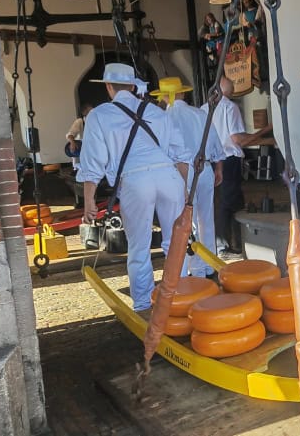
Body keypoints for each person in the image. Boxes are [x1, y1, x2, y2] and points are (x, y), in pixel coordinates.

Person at [77, 63, 191, 314]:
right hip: (169, 176)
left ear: (108, 87)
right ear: (132, 86)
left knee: (139, 246)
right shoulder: (157, 112)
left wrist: (89, 201)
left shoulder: (99, 115)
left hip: (135, 180)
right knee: (176, 242)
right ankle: (180, 294)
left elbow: (92, 162)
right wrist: (183, 188)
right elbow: (181, 155)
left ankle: (142, 304)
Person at [151, 77, 226, 277]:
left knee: (185, 220)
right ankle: (208, 265)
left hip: (179, 171)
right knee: (206, 218)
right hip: (205, 167)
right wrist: (218, 168)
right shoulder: (200, 114)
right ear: (182, 93)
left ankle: (193, 269)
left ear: (164, 97)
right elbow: (215, 142)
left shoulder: (163, 119)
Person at [204, 76, 252, 256]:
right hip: (228, 159)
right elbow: (236, 138)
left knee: (216, 202)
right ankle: (230, 244)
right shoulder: (230, 107)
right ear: (228, 92)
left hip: (210, 161)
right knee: (231, 203)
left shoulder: (203, 109)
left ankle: (224, 243)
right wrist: (262, 137)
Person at [65, 103, 93, 170]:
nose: (93, 112)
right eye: (91, 111)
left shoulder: (95, 122)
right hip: (80, 152)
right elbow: (70, 134)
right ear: (84, 112)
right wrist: (72, 143)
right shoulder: (80, 122)